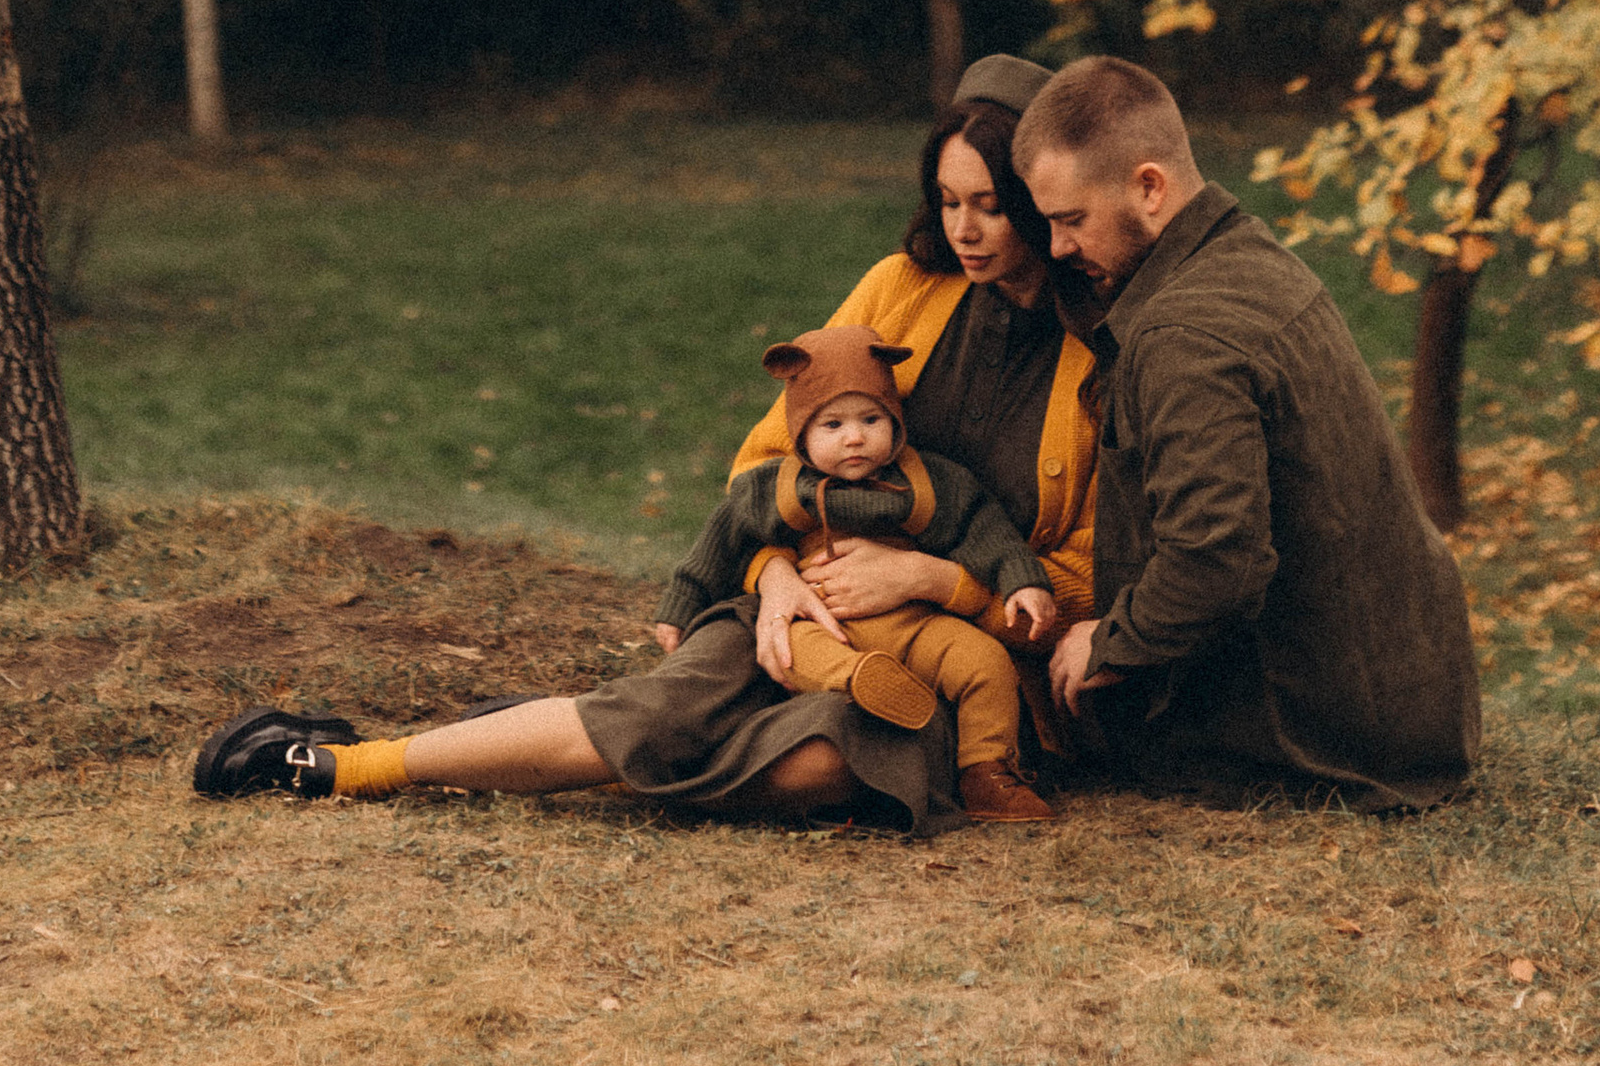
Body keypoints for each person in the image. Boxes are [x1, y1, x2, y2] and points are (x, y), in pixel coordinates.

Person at [190, 53, 1101, 834]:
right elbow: (769, 459)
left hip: (950, 657)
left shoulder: (1096, 350)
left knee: (822, 766)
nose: (963, 228)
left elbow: (1092, 571)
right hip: (805, 601)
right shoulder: (904, 286)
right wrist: (773, 574)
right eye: (948, 200)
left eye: (990, 205)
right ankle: (339, 763)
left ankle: (540, 742)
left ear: (1037, 199)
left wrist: (935, 580)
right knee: (669, 707)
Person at [1010, 55, 1480, 810]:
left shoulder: (1183, 335)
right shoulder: (1248, 257)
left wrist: (1110, 640)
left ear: (1150, 187)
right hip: (1413, 708)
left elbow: (1217, 559)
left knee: (1009, 707)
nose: (1059, 247)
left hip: (1332, 736)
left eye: (1072, 220)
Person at [659, 323, 1058, 821]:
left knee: (985, 661)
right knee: (787, 649)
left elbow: (986, 529)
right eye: (832, 425)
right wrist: (680, 606)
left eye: (871, 419)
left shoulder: (928, 482)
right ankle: (862, 681)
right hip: (825, 625)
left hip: (915, 624)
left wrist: (1024, 580)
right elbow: (718, 542)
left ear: (894, 420)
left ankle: (986, 771)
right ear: (801, 433)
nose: (855, 438)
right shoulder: (779, 487)